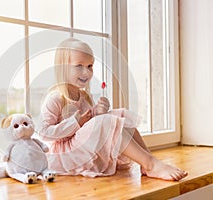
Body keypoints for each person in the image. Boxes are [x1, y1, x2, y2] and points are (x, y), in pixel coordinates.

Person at [38, 38, 188, 181]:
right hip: (66, 155)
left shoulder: (84, 97)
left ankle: (147, 162)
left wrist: (98, 112)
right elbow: (44, 132)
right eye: (79, 66)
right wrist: (75, 122)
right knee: (107, 121)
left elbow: (90, 130)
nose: (87, 72)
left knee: (119, 113)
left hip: (80, 148)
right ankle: (151, 164)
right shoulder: (55, 98)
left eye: (90, 66)